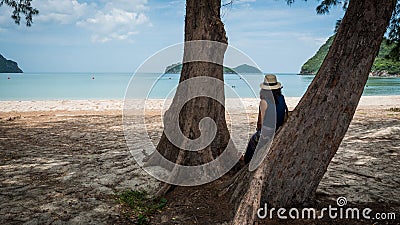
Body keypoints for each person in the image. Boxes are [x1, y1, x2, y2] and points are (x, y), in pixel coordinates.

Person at [243, 74, 288, 164]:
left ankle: (246, 162)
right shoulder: (282, 98)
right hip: (279, 129)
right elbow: (284, 116)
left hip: (268, 132)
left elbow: (261, 123)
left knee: (252, 142)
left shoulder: (264, 102)